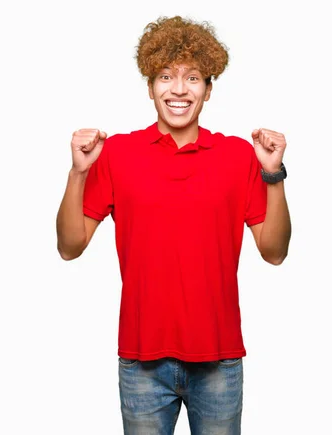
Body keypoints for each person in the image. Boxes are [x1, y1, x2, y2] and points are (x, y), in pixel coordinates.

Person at [56, 15, 291, 435]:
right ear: (150, 87)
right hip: (142, 361)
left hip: (219, 361)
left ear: (208, 89)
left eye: (193, 77)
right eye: (166, 76)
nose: (179, 89)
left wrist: (273, 175)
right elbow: (70, 246)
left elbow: (274, 252)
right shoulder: (118, 153)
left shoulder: (238, 156)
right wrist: (77, 173)